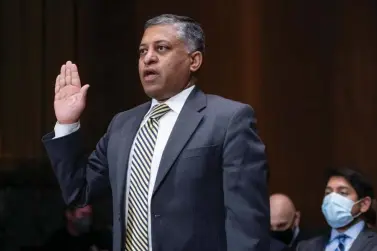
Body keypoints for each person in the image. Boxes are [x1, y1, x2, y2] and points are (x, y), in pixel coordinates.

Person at [42, 14, 270, 251]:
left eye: (161, 48)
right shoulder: (122, 124)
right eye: (142, 51)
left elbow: (247, 222)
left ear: (194, 60)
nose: (148, 58)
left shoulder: (228, 119)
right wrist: (66, 123)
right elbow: (79, 192)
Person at [296, 167, 377, 251]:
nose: (332, 199)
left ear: (364, 204)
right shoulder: (306, 247)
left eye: (343, 193)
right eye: (328, 193)